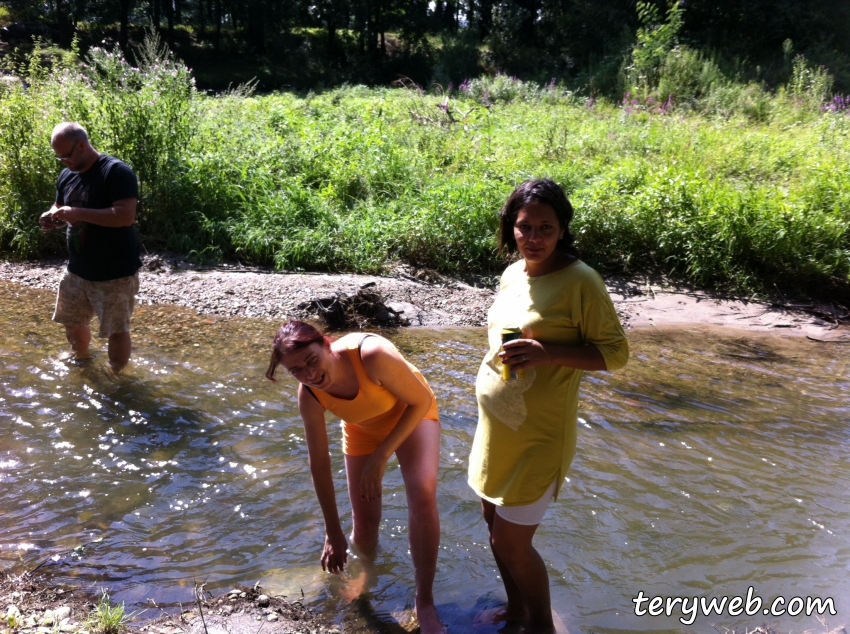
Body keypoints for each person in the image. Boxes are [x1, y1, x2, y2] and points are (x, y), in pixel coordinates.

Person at [468, 179, 629, 633]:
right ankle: (516, 610)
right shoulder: (512, 273)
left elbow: (616, 354)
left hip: (540, 436)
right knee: (492, 524)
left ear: (563, 230)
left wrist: (548, 353)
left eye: (545, 228)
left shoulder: (581, 281)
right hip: (497, 430)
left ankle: (541, 626)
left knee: (512, 542)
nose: (533, 238)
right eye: (524, 227)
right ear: (510, 228)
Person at [266, 321, 445, 634]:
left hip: (410, 414)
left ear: (326, 343)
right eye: (296, 370)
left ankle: (424, 600)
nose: (309, 375)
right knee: (363, 521)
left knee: (422, 490)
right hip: (362, 427)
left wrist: (381, 456)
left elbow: (421, 401)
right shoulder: (309, 394)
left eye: (311, 360)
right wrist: (332, 533)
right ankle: (368, 572)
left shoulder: (371, 354)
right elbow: (319, 463)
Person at [38, 122, 141, 372]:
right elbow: (59, 205)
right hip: (77, 269)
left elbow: (125, 216)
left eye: (66, 155)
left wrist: (78, 213)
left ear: (81, 145)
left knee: (116, 330)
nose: (63, 161)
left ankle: (118, 378)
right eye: (59, 157)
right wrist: (52, 216)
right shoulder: (67, 174)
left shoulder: (115, 172)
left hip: (114, 271)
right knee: (71, 321)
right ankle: (82, 361)